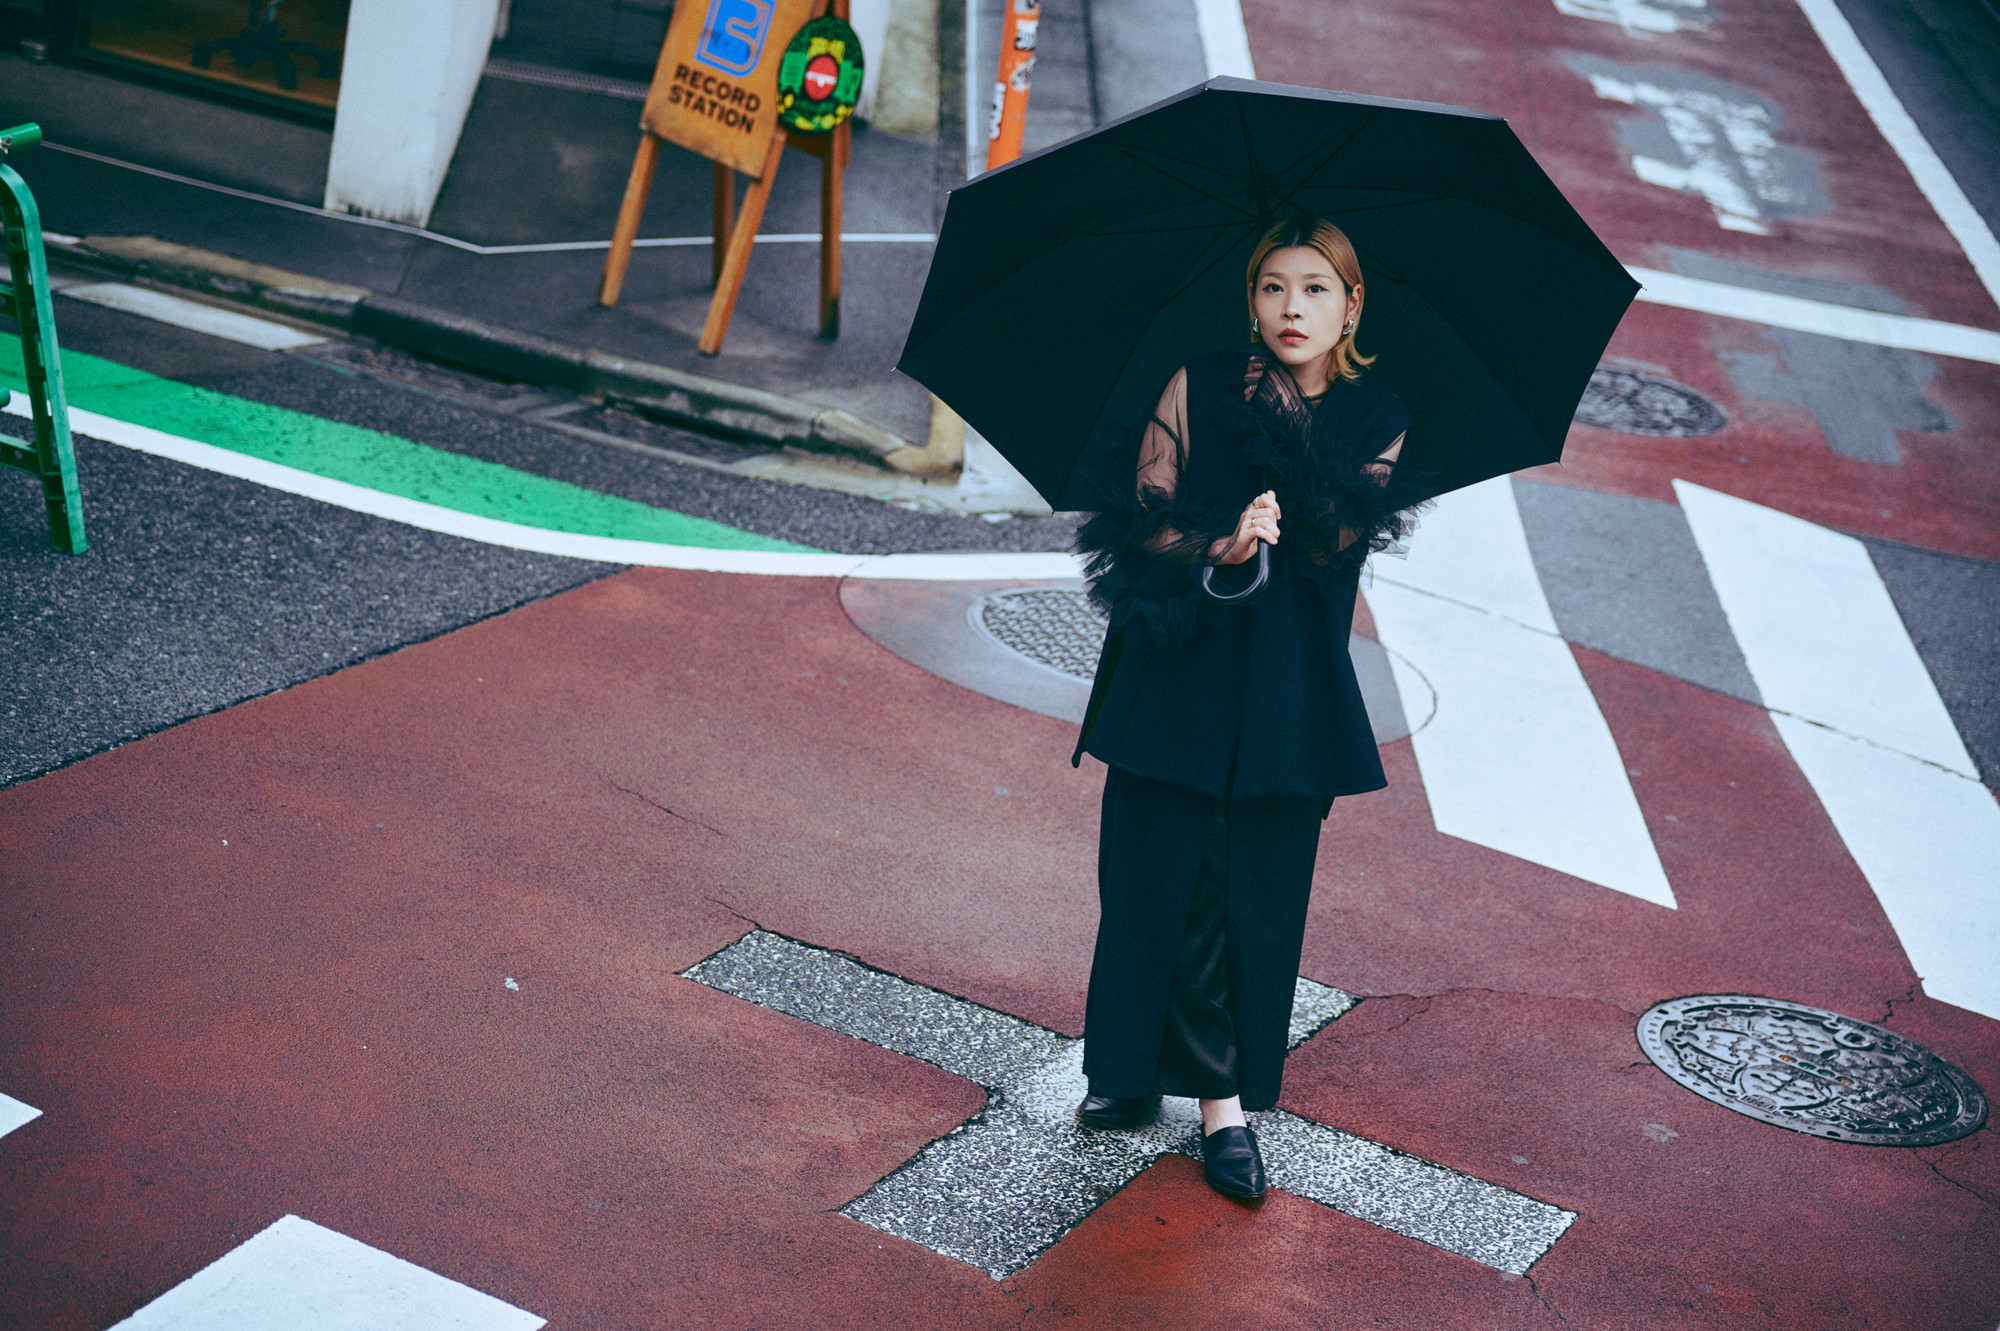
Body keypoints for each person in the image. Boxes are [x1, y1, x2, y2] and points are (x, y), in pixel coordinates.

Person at [1069, 215, 1431, 1199]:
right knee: (1147, 870)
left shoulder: (1378, 415)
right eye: (1272, 287)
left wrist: (1281, 440)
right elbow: (1137, 526)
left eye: (1314, 289)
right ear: (1250, 298)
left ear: (1351, 306)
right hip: (1175, 668)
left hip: (1286, 692)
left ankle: (1222, 1105)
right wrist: (1217, 544)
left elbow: (1333, 541)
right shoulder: (1194, 384)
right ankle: (1128, 1068)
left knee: (1249, 891)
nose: (1290, 308)